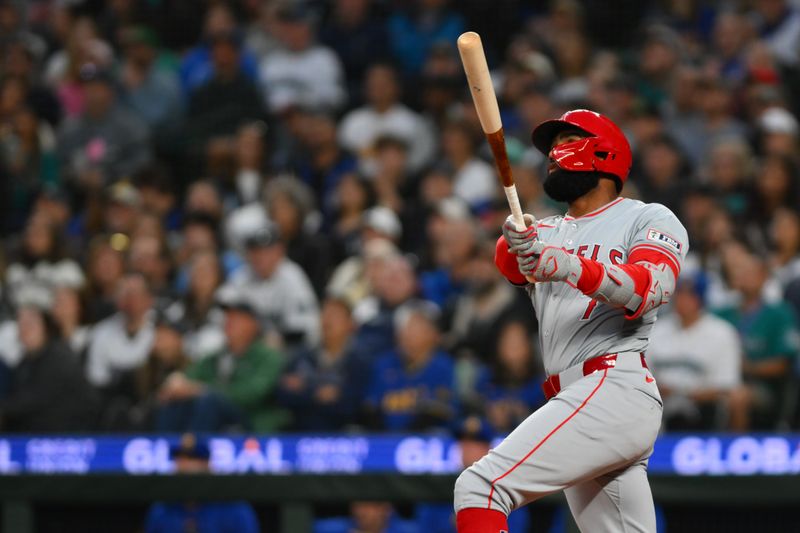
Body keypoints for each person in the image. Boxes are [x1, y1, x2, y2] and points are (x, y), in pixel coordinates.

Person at [455, 109, 688, 533]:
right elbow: (509, 263)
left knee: (480, 486)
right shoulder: (547, 231)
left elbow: (650, 287)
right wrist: (516, 239)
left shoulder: (647, 217)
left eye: (565, 142)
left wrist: (566, 265)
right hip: (577, 394)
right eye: (552, 146)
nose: (552, 154)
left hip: (615, 385)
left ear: (603, 153)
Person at [156, 290, 288, 432]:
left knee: (208, 400)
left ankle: (196, 449)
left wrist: (204, 390)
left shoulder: (267, 356)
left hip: (252, 421)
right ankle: (167, 447)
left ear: (252, 324)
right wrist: (177, 383)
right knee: (174, 400)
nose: (228, 322)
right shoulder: (216, 357)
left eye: (236, 318)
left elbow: (253, 394)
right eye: (227, 316)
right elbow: (191, 377)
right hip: (216, 416)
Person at [647, 275, 746, 431]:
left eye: (690, 295)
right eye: (680, 294)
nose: (683, 300)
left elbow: (727, 385)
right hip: (660, 402)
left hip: (703, 406)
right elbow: (643, 375)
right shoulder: (656, 329)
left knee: (736, 399)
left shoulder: (722, 332)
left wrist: (687, 393)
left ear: (701, 300)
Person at [715, 252, 800, 430]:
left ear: (764, 277)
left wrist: (745, 367)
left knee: (738, 397)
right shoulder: (720, 314)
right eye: (740, 273)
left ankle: (734, 449)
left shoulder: (779, 313)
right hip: (717, 379)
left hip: (761, 385)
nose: (744, 277)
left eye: (750, 273)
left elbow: (783, 364)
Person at [0, 304, 97, 432]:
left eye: (31, 324)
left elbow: (34, 398)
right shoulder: (25, 361)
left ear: (45, 327)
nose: (25, 329)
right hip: (40, 432)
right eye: (21, 324)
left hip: (74, 435)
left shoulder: (59, 356)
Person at [223, 222, 320, 350]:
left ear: (279, 251)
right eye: (255, 251)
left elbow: (305, 328)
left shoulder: (292, 277)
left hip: (289, 349)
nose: (260, 257)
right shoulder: (242, 276)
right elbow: (222, 307)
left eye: (266, 251)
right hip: (250, 348)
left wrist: (278, 338)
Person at [278, 297, 370, 431]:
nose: (328, 320)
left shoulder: (360, 360)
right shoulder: (302, 356)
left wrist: (304, 388)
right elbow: (282, 395)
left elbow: (352, 405)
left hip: (342, 433)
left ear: (351, 324)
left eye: (335, 315)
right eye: (325, 314)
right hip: (300, 430)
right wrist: (317, 393)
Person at [364, 300, 456, 431]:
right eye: (405, 328)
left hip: (428, 439)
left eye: (416, 328)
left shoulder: (444, 367)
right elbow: (370, 408)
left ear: (434, 334)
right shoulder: (383, 364)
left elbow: (442, 412)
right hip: (385, 438)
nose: (408, 334)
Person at [145, 434, 260, 533]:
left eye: (192, 458)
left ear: (207, 465)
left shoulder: (234, 507)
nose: (183, 464)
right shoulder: (162, 508)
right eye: (179, 458)